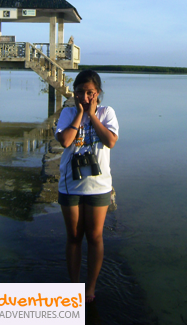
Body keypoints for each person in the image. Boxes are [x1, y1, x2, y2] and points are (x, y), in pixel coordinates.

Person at [55, 69, 119, 303]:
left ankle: (90, 288)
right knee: (73, 236)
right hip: (70, 185)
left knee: (94, 236)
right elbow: (65, 141)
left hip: (99, 186)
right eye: (80, 92)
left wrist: (92, 116)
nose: (85, 96)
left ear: (98, 93)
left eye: (90, 92)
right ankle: (74, 287)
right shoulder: (68, 113)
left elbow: (110, 141)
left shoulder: (106, 112)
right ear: (74, 93)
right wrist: (80, 114)